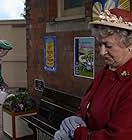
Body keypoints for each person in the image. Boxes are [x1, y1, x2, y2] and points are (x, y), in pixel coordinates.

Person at [54, 8, 132, 140]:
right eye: (99, 44)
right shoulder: (106, 72)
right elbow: (87, 105)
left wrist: (76, 133)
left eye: (108, 45)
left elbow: (117, 137)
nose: (102, 52)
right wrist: (77, 119)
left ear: (129, 44)